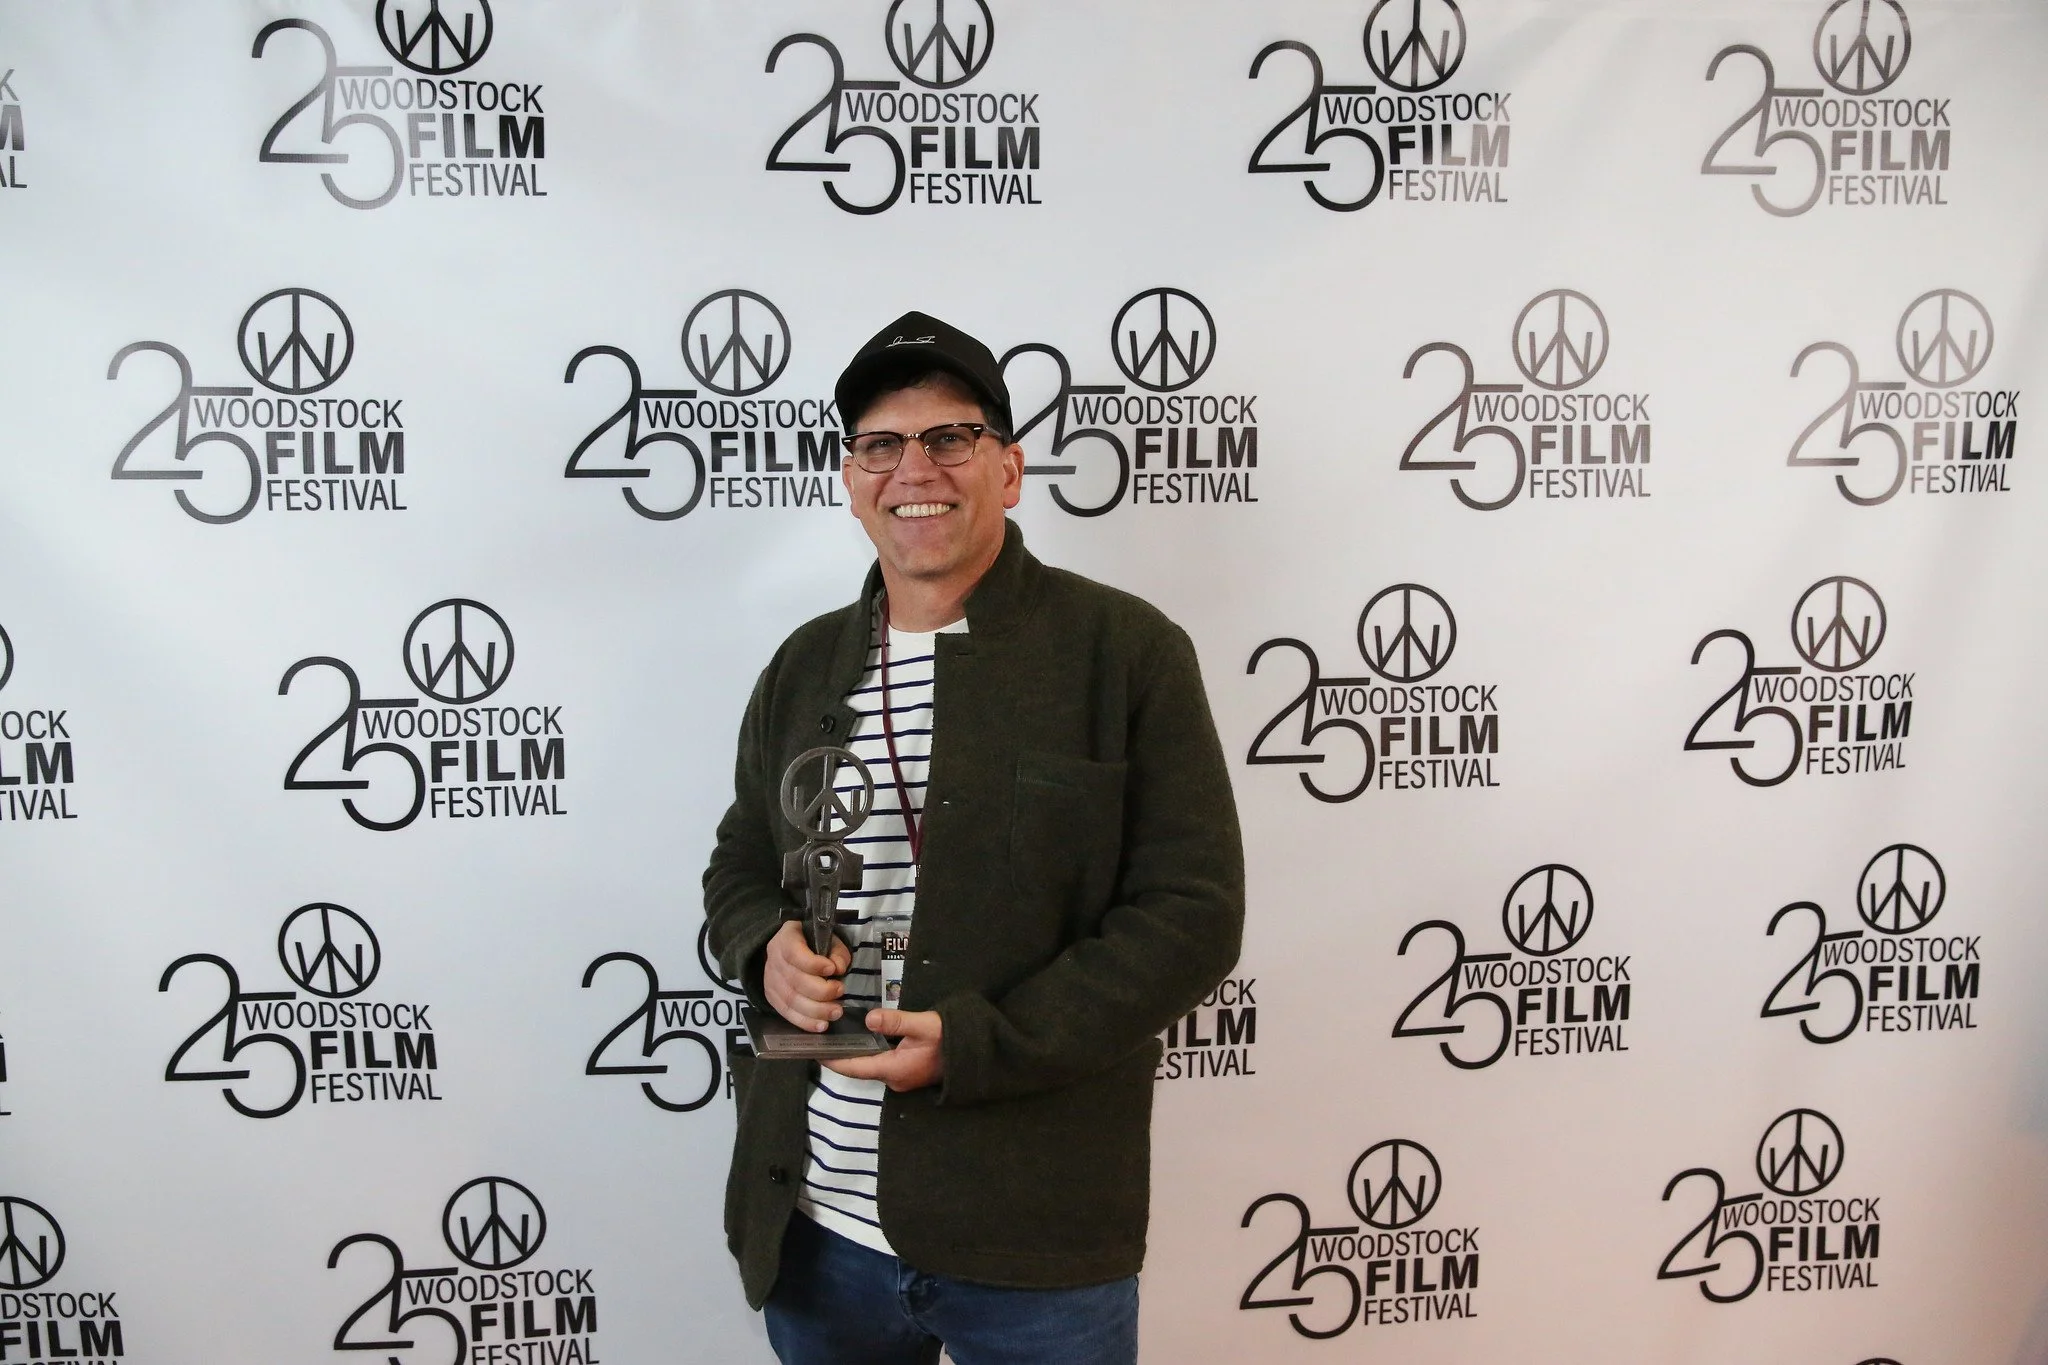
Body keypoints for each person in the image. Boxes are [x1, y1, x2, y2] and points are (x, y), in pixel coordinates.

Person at [704, 310, 1244, 1365]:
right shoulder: (802, 665)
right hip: (813, 1226)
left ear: (1008, 468)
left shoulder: (1122, 651)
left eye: (948, 438)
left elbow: (1191, 916)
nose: (915, 470)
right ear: (851, 476)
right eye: (880, 445)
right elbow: (738, 858)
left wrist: (980, 1043)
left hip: (1033, 1234)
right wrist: (762, 942)